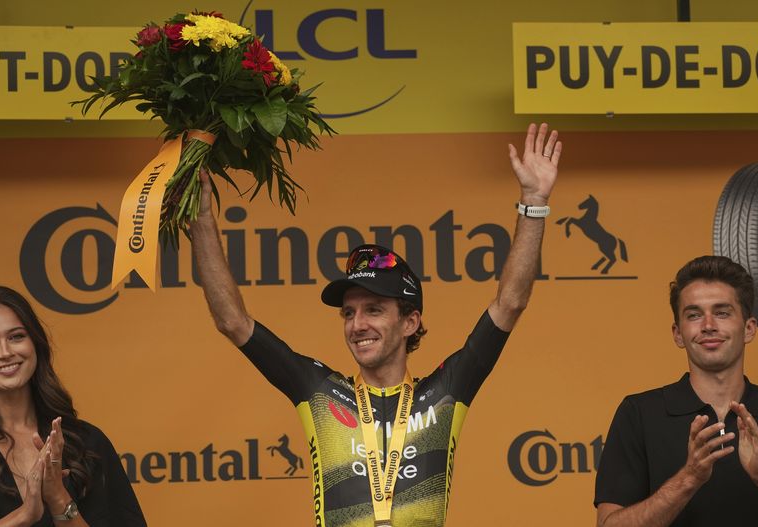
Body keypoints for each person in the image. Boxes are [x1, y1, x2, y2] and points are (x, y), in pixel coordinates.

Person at [190, 123, 561, 526]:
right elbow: (231, 320)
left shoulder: (446, 391)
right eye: (349, 313)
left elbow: (511, 301)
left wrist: (534, 200)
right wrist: (202, 218)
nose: (357, 324)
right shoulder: (318, 392)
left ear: (410, 322)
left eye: (374, 310)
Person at [595, 256, 758, 526]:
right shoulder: (639, 414)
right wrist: (688, 479)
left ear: (749, 328)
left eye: (722, 312)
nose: (709, 325)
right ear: (678, 334)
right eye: (694, 315)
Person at [0, 286, 147, 527]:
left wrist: (58, 497)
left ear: (36, 344)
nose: (6, 352)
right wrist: (25, 514)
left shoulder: (88, 442)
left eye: (16, 336)